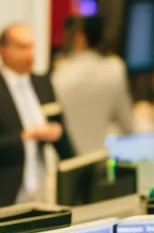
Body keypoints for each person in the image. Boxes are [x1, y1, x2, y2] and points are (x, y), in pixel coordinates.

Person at [0, 24, 75, 212]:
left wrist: (75, 169)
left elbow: (61, 135)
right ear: (3, 51)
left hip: (39, 190)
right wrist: (23, 137)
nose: (29, 54)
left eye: (31, 47)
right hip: (2, 192)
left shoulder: (42, 84)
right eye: (22, 47)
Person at [52, 16, 134, 155]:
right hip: (102, 158)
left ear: (80, 38)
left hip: (70, 160)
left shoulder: (61, 74)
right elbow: (127, 125)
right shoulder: (114, 69)